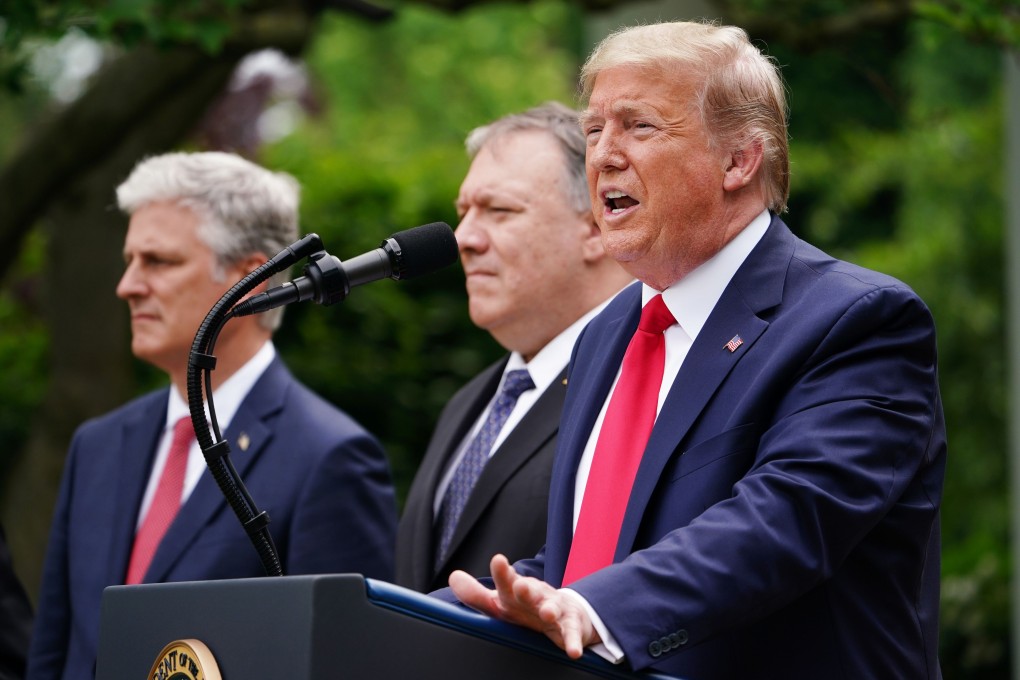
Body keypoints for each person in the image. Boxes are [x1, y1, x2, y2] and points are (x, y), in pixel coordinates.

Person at [446, 20, 947, 679]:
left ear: (740, 160)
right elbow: (590, 557)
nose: (603, 156)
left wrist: (590, 607)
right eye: (595, 129)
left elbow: (781, 523)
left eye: (639, 126)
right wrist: (430, 615)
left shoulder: (857, 321)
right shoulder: (609, 331)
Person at [27, 152, 398, 680]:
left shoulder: (330, 458)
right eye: (130, 260)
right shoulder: (98, 445)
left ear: (250, 280)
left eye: (158, 261)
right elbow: (54, 652)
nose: (127, 285)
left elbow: (345, 664)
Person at [395, 102, 633, 593]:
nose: (463, 239)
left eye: (499, 211)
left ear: (595, 227)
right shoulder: (471, 403)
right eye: (463, 213)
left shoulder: (638, 386)